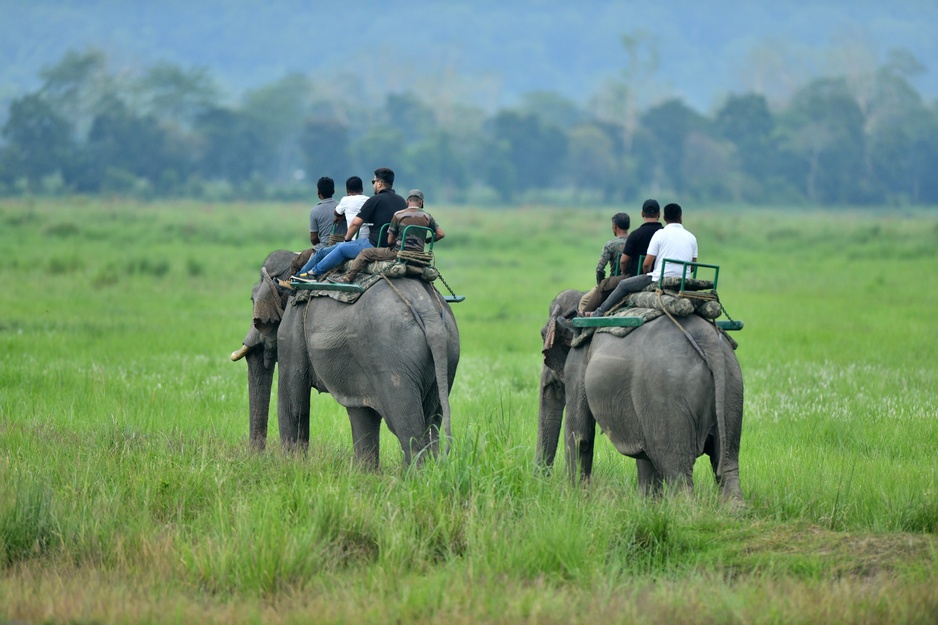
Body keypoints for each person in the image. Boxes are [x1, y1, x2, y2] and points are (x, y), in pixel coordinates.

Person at [586, 202, 697, 317]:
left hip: (659, 278)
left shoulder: (659, 234)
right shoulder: (691, 237)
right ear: (680, 216)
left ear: (663, 217)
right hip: (684, 279)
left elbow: (645, 264)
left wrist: (645, 274)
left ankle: (597, 313)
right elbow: (692, 266)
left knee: (623, 284)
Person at [295, 167, 406, 281]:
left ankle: (312, 273)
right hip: (392, 246)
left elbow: (355, 223)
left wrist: (347, 240)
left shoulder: (375, 200)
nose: (373, 185)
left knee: (341, 248)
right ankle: (300, 276)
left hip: (374, 244)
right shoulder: (402, 201)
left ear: (379, 183)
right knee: (328, 250)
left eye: (374, 182)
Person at [332, 189, 444, 283]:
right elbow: (440, 234)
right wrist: (427, 240)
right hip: (418, 254)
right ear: (421, 202)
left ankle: (348, 277)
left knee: (365, 253)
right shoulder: (427, 216)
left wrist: (396, 242)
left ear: (407, 201)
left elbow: (390, 240)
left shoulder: (398, 214)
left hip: (398, 253)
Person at [333, 175, 370, 243]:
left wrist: (343, 215)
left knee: (322, 252)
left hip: (352, 240)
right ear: (362, 189)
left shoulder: (345, 200)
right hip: (368, 239)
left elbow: (337, 213)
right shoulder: (369, 200)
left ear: (347, 190)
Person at [309, 177, 339, 251]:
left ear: (318, 192)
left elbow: (313, 238)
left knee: (297, 261)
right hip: (341, 246)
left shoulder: (314, 211)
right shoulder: (341, 207)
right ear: (333, 191)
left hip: (323, 247)